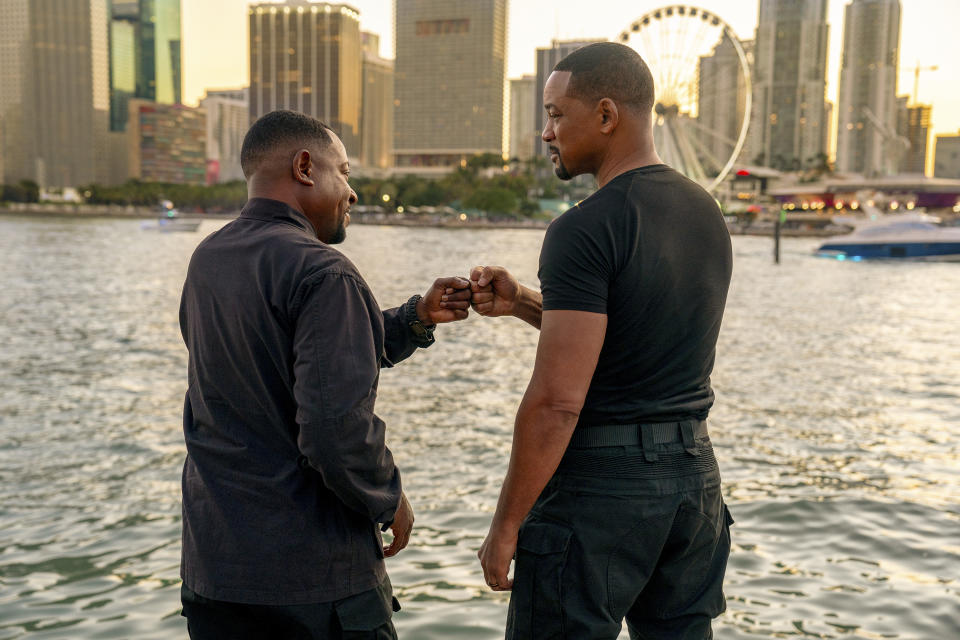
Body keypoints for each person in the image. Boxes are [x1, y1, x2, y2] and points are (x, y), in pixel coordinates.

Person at [472, 42, 735, 639]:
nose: (546, 132)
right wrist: (521, 303)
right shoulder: (706, 213)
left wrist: (506, 524)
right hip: (694, 484)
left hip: (604, 487)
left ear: (608, 115)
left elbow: (557, 402)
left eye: (557, 114)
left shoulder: (583, 228)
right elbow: (630, 336)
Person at [178, 110, 472, 639]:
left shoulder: (209, 257)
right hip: (315, 586)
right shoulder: (324, 272)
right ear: (306, 167)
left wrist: (414, 318)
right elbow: (334, 430)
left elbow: (285, 362)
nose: (352, 193)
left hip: (217, 574)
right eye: (346, 172)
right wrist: (388, 497)